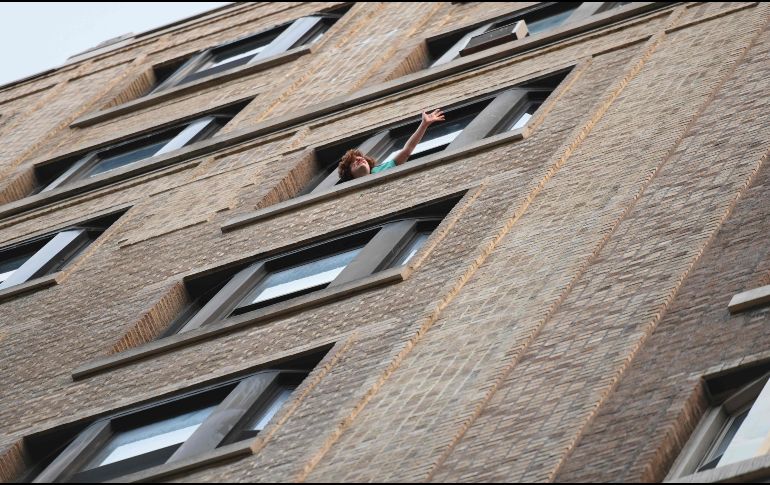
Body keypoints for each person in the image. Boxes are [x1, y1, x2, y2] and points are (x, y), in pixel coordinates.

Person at [337, 108, 445, 181]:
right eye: (353, 162)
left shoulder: (381, 169)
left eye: (360, 158)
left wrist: (424, 124)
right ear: (349, 174)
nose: (359, 159)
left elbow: (406, 151)